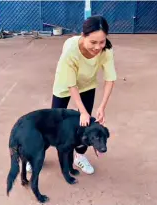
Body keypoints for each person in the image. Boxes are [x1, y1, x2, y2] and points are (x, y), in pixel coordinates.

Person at [26, 15, 117, 174]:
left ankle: (79, 156)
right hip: (65, 84)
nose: (97, 47)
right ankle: (34, 155)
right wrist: (81, 111)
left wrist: (102, 107)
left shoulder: (106, 51)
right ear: (83, 36)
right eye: (93, 42)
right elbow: (71, 85)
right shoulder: (71, 51)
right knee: (53, 125)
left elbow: (110, 79)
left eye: (101, 42)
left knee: (86, 124)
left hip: (87, 84)